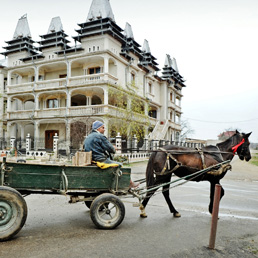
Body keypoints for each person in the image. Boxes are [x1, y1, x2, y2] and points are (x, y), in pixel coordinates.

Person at [84, 120, 140, 188]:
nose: (104, 130)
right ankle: (129, 183)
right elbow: (111, 149)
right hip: (100, 159)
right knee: (120, 165)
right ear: (98, 128)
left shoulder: (88, 137)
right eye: (103, 127)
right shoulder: (100, 136)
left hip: (92, 159)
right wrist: (114, 148)